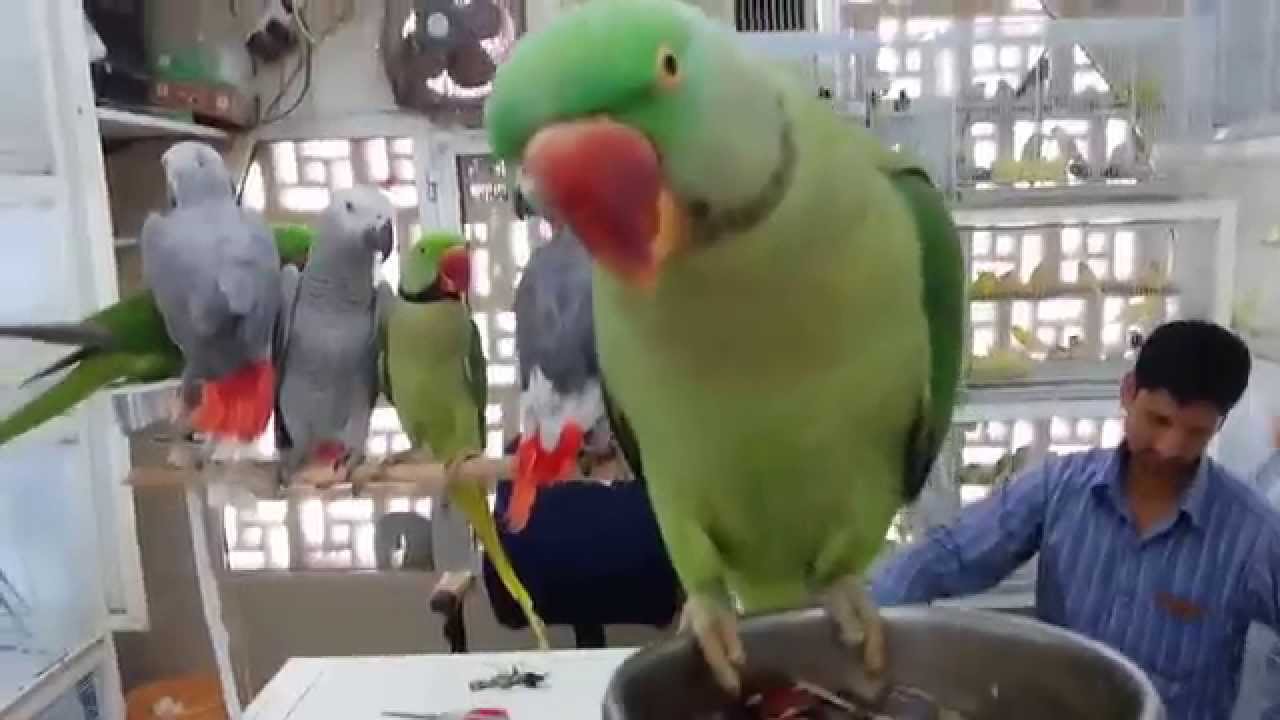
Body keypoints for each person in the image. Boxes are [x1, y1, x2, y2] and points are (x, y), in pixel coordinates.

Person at [870, 320, 1280, 720]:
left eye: (1196, 432)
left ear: (1219, 425)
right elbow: (951, 555)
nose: (1170, 447)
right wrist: (864, 617)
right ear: (1128, 392)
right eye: (1158, 420)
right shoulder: (1060, 488)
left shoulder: (1251, 535)